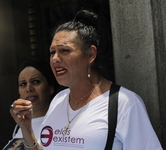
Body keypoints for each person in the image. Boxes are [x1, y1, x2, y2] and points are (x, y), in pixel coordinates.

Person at [9, 10, 163, 150]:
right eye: (52, 52)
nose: (55, 59)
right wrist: (27, 129)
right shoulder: (58, 101)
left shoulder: (124, 103)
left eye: (64, 51)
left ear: (91, 54)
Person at [4, 59, 60, 150]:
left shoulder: (60, 124)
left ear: (51, 87)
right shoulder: (20, 124)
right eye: (23, 84)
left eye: (36, 82)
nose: (29, 88)